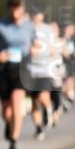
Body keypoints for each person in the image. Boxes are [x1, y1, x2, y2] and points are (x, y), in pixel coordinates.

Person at [0, 0, 35, 149]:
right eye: (12, 8)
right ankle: (9, 124)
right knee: (7, 112)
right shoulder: (0, 25)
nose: (15, 11)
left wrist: (33, 51)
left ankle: (14, 142)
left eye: (18, 8)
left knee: (16, 103)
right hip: (4, 69)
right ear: (9, 9)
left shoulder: (29, 26)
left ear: (23, 9)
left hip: (21, 69)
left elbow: (36, 44)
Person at [27, 9, 57, 140]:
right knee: (34, 102)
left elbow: (53, 47)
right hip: (31, 69)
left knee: (43, 96)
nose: (36, 17)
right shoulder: (26, 28)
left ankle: (48, 109)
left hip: (45, 68)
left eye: (39, 14)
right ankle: (38, 128)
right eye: (34, 14)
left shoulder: (48, 29)